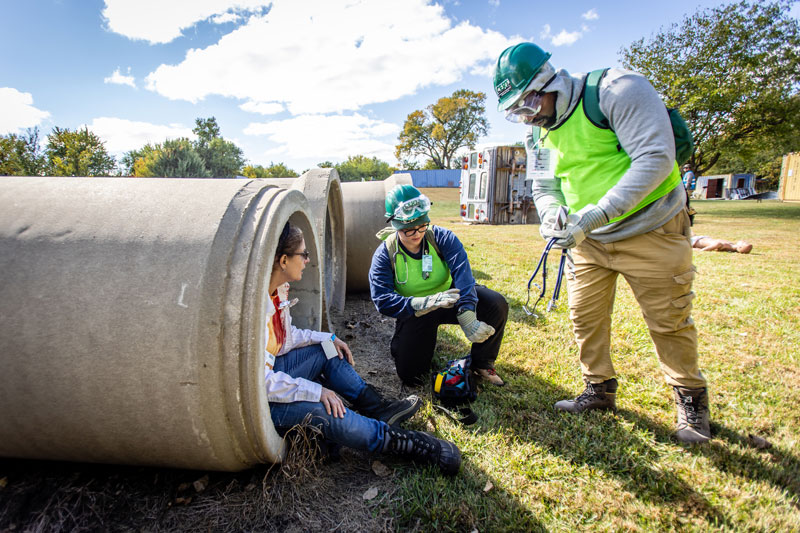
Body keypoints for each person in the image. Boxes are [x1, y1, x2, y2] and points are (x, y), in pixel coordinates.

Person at [494, 42, 711, 443]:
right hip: (588, 240)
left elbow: (655, 158)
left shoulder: (617, 91)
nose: (528, 118)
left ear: (548, 84)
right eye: (517, 113)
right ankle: (598, 390)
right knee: (584, 316)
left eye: (527, 105)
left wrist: (595, 214)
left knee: (669, 320)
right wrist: (550, 215)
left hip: (651, 227)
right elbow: (543, 185)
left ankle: (691, 401)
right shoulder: (538, 135)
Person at [265, 221, 461, 475]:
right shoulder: (252, 307)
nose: (307, 260)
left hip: (278, 369)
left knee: (327, 348)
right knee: (326, 408)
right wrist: (316, 391)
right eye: (303, 254)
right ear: (283, 261)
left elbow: (285, 339)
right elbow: (260, 382)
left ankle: (378, 409)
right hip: (261, 400)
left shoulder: (277, 291)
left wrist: (328, 337)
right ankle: (404, 443)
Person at [368, 185, 509, 387]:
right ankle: (408, 345)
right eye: (408, 229)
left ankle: (482, 363)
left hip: (450, 300)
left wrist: (467, 312)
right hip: (417, 311)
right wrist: (422, 303)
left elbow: (464, 276)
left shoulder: (442, 238)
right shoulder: (385, 254)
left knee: (496, 303)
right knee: (411, 376)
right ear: (395, 224)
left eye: (422, 225)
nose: (416, 233)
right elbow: (382, 299)